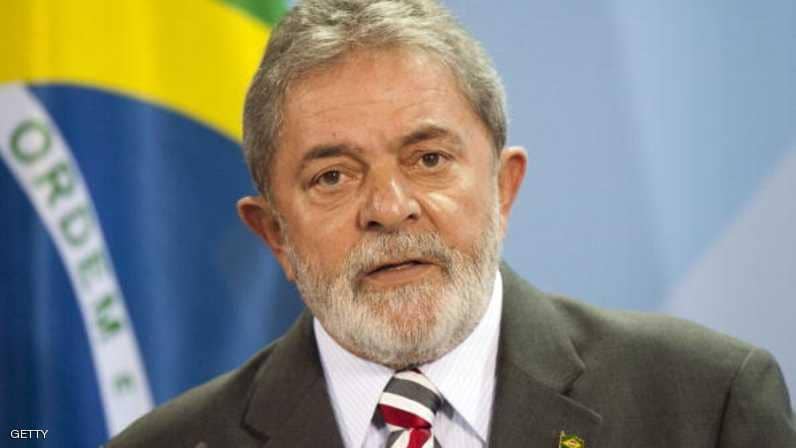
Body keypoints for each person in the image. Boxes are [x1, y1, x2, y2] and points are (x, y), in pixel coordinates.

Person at [108, 0, 795, 446]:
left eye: (429, 158)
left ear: (503, 187)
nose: (389, 207)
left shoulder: (704, 404)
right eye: (333, 176)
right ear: (275, 235)